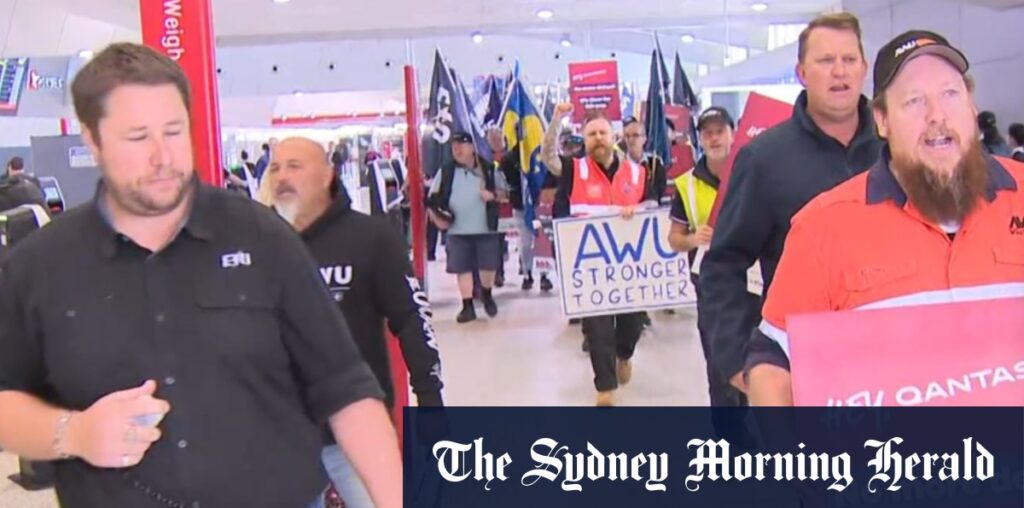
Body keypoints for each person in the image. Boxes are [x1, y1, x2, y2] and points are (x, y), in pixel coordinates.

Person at [0, 43, 401, 508]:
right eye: (137, 137)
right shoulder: (41, 265)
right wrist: (74, 434)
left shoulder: (262, 238)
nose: (162, 156)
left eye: (174, 131)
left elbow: (346, 388)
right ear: (92, 140)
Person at [745, 30, 1024, 406]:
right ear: (882, 121)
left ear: (971, 106)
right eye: (913, 101)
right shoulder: (823, 228)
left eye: (950, 94)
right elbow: (773, 359)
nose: (937, 115)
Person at [699, 12, 882, 398]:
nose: (839, 71)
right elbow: (724, 264)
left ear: (864, 68)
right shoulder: (764, 158)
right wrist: (736, 362)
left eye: (849, 60)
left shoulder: (898, 150)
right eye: (825, 61)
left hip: (892, 358)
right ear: (801, 73)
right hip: (802, 366)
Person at [264, 137, 444, 507]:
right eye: (275, 167)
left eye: (294, 166)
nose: (282, 176)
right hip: (282, 439)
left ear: (329, 174)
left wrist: (430, 398)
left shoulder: (371, 237)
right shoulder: (257, 244)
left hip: (355, 435)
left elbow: (412, 317)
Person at [541, 105, 661, 407]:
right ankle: (605, 386)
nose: (597, 138)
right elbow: (547, 157)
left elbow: (652, 208)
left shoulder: (637, 172)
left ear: (614, 136)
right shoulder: (574, 169)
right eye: (591, 134)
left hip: (629, 265)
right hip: (591, 266)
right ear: (583, 138)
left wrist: (641, 209)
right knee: (597, 326)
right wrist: (556, 119)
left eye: (602, 133)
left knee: (632, 321)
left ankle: (625, 354)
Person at [667, 106, 753, 411]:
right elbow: (674, 239)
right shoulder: (686, 184)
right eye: (707, 133)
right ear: (699, 138)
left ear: (733, 133)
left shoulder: (752, 171)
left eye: (720, 131)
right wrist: (693, 239)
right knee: (720, 366)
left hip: (754, 283)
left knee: (759, 362)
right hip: (712, 287)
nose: (714, 138)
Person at [427, 131, 504, 323]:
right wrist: (437, 218)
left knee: (488, 266)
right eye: (454, 147)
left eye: (461, 146)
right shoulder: (446, 171)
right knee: (463, 268)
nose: (458, 150)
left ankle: (486, 293)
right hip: (457, 229)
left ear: (471, 147)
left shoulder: (487, 168)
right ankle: (467, 305)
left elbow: (504, 193)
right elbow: (432, 198)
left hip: (486, 227)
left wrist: (492, 196)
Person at [499, 141, 554, 292]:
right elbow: (505, 182)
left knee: (542, 241)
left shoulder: (540, 155)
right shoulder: (508, 158)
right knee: (525, 242)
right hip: (520, 205)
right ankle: (527, 273)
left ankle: (545, 275)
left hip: (540, 205)